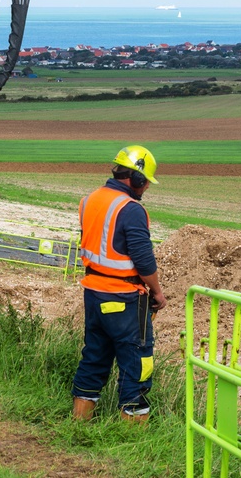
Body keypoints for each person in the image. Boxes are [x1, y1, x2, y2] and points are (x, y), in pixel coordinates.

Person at [71, 145, 167, 423]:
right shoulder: (131, 209)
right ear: (136, 179)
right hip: (124, 297)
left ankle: (80, 422)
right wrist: (158, 293)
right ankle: (131, 438)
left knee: (94, 358)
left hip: (93, 293)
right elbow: (144, 260)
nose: (146, 187)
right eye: (146, 181)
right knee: (137, 363)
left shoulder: (90, 200)